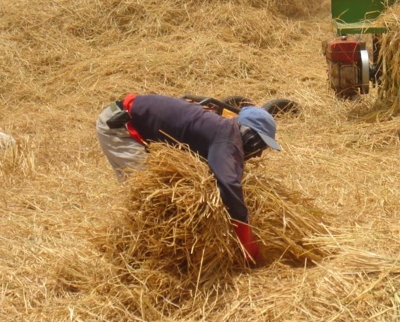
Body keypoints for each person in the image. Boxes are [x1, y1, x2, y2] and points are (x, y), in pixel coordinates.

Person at [96, 93, 281, 265]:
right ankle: (136, 256)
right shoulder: (227, 140)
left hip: (132, 115)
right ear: (250, 135)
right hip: (121, 126)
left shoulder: (223, 129)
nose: (258, 155)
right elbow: (229, 185)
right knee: (146, 196)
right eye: (261, 146)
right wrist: (246, 240)